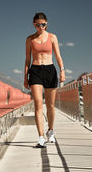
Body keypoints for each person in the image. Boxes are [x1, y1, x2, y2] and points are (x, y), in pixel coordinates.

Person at [24, 12, 65, 148]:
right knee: (38, 104)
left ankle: (50, 131)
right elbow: (27, 60)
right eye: (38, 24)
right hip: (35, 71)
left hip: (50, 70)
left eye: (43, 24)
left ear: (46, 24)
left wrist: (62, 70)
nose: (41, 27)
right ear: (34, 24)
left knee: (50, 105)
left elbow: (58, 56)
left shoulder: (52, 37)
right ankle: (40, 136)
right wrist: (25, 77)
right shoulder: (30, 39)